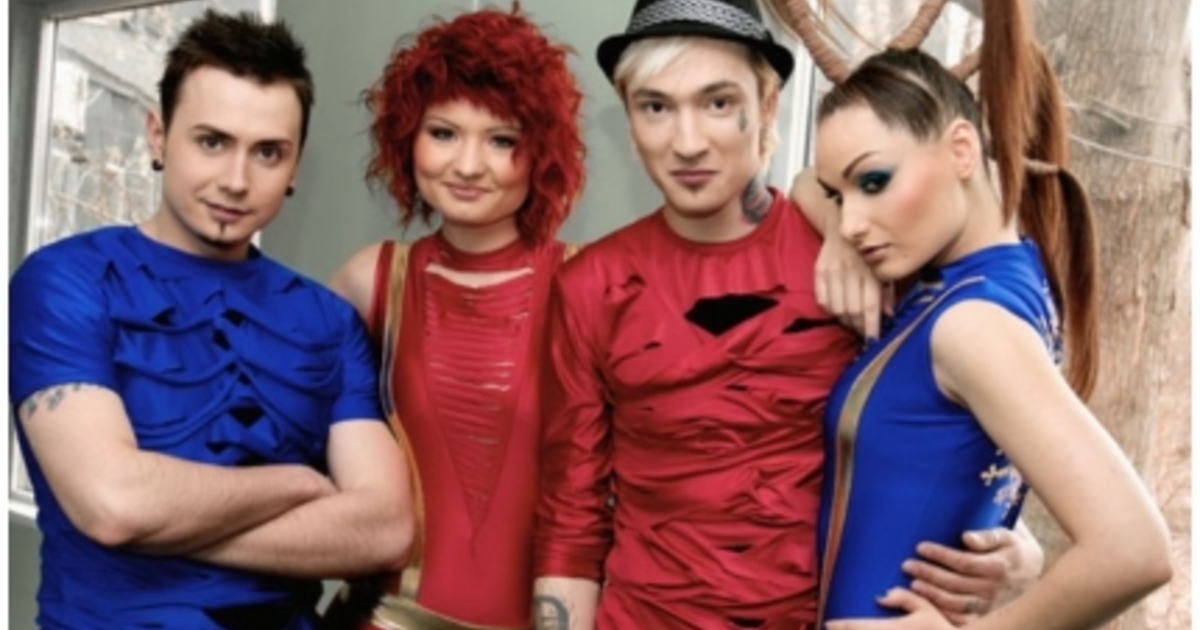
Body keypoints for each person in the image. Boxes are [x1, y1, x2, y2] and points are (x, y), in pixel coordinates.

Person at [531, 1, 1047, 629]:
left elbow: (955, 437)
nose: (686, 142)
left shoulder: (865, 260)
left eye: (718, 102)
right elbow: (571, 516)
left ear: (769, 104)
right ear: (628, 115)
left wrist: (1016, 546)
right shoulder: (591, 285)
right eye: (656, 106)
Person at [8, 11, 412, 630]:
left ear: (296, 165)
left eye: (268, 152)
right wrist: (297, 484)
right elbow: (114, 504)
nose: (236, 180)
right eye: (212, 141)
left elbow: (385, 530)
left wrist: (163, 519)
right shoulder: (65, 280)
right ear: (157, 135)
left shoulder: (329, 321)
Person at [795, 0, 1173, 627]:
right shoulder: (999, 270)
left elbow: (1134, 551)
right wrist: (836, 227)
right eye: (841, 197)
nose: (854, 221)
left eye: (874, 182)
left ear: (962, 149)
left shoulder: (971, 325)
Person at [324, 6, 585, 629]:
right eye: (443, 133)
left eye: (502, 140)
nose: (468, 165)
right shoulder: (370, 279)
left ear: (542, 152)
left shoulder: (586, 283)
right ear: (406, 139)